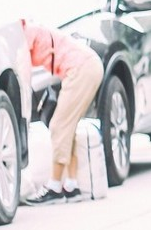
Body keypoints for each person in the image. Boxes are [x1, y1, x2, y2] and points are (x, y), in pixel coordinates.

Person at [21, 21, 105, 205]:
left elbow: (23, 72)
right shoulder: (33, 28)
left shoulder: (24, 33)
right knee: (68, 127)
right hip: (87, 66)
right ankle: (71, 186)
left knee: (59, 126)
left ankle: (54, 187)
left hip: (80, 69)